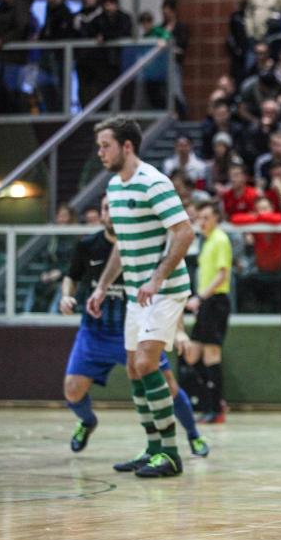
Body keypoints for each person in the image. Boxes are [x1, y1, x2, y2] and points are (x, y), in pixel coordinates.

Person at [87, 116, 196, 478]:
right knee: (134, 369)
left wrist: (155, 278)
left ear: (127, 146)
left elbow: (184, 233)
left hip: (165, 290)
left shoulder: (154, 182)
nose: (100, 152)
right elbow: (123, 247)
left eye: (106, 145)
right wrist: (103, 286)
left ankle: (170, 453)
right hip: (138, 294)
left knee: (147, 364)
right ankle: (152, 447)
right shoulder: (115, 189)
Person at [61, 196, 208, 457]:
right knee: (72, 390)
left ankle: (193, 435)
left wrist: (180, 330)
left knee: (168, 386)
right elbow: (71, 277)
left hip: (137, 328)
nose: (111, 213)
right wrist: (66, 296)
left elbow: (170, 291)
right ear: (101, 214)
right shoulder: (88, 245)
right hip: (94, 333)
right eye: (106, 208)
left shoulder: (144, 245)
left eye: (115, 208)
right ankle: (87, 422)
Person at [181, 202, 233, 424]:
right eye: (199, 218)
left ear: (216, 218)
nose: (202, 222)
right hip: (206, 303)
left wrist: (200, 298)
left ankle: (216, 408)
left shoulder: (220, 239)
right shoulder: (207, 241)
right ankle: (212, 402)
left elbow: (222, 275)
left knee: (212, 354)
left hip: (216, 302)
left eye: (206, 218)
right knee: (192, 354)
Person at [38, 0, 76, 113]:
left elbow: (61, 34)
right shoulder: (49, 11)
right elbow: (47, 31)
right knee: (47, 87)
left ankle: (61, 112)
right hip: (49, 57)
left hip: (60, 56)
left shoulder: (65, 13)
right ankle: (51, 111)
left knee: (61, 86)